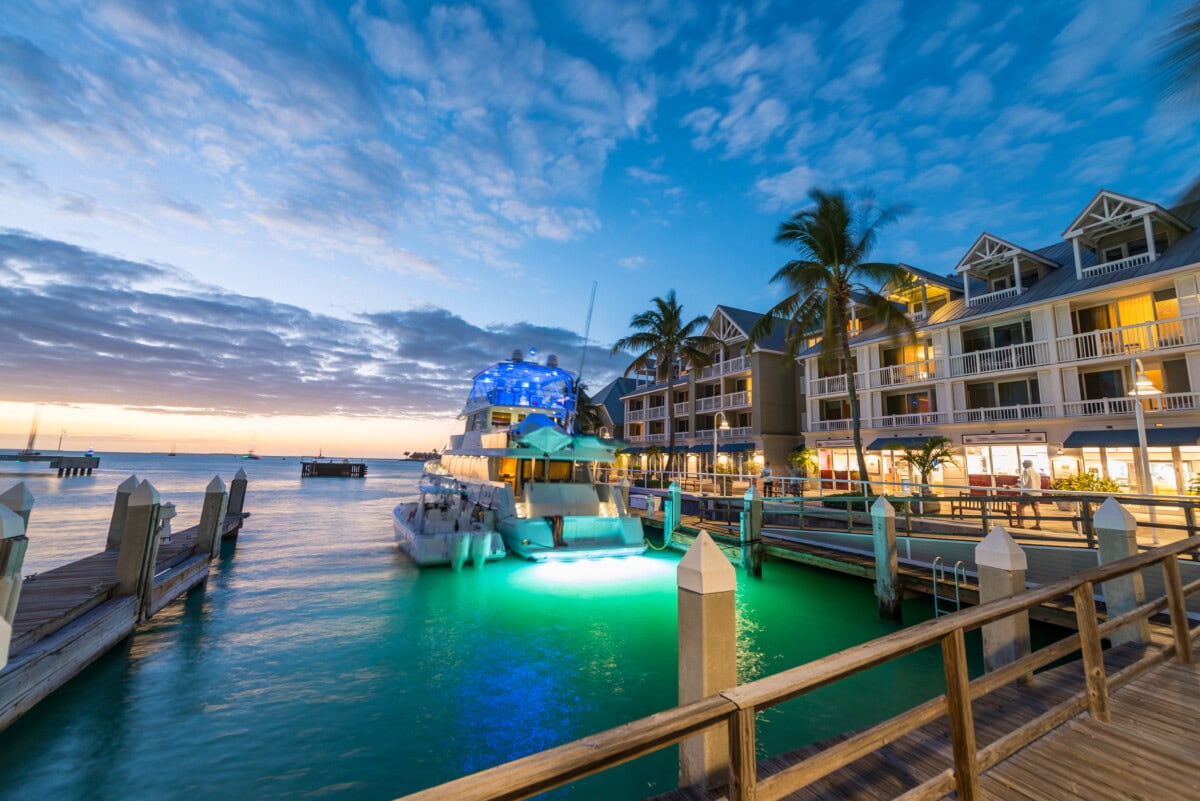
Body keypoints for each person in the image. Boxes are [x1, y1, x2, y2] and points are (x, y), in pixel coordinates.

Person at [1016, 459, 1042, 529]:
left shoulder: (1026, 471)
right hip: (1037, 493)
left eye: (1023, 463)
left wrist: (1012, 486)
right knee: (1036, 508)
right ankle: (1037, 525)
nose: (1022, 465)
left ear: (1026, 464)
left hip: (1028, 492)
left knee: (1020, 507)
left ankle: (1021, 524)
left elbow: (1023, 482)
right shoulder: (1037, 473)